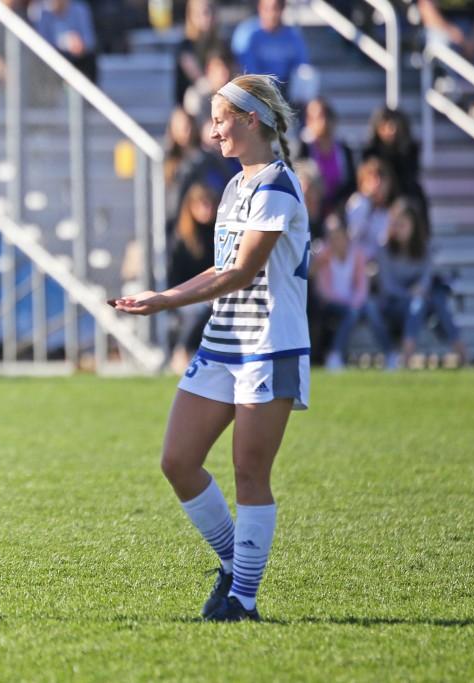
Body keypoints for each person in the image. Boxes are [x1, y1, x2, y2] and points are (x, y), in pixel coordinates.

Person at [112, 74, 310, 622]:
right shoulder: (235, 186)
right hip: (224, 342)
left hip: (270, 346)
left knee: (249, 472)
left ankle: (243, 600)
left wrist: (166, 299)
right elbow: (224, 269)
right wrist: (167, 296)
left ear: (251, 121)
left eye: (221, 118)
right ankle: (233, 566)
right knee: (177, 460)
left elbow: (242, 272)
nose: (213, 129)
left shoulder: (275, 184)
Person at [376, 198, 466, 365]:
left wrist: (418, 293)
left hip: (421, 303)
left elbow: (425, 281)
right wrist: (409, 294)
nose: (398, 229)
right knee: (418, 303)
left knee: (436, 300)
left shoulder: (424, 248)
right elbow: (388, 287)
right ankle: (409, 355)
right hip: (394, 305)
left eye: (403, 224)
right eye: (396, 224)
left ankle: (459, 353)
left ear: (414, 226)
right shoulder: (384, 249)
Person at [311, 213, 394, 370]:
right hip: (332, 303)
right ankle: (335, 355)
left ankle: (390, 354)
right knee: (352, 313)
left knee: (372, 308)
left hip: (354, 302)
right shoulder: (324, 256)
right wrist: (350, 304)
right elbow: (324, 291)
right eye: (333, 237)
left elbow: (362, 286)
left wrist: (355, 302)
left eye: (339, 236)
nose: (337, 240)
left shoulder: (358, 254)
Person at [166, 181, 218, 371]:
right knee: (200, 311)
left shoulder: (217, 234)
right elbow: (174, 277)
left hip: (213, 293)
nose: (207, 209)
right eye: (202, 204)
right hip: (186, 295)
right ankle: (183, 350)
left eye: (210, 204)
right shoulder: (182, 240)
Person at [233, 0, 310, 101]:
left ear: (282, 9)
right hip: (255, 89)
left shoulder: (292, 35)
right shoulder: (247, 32)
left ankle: (299, 114)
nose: (271, 14)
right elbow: (245, 68)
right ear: (259, 8)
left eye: (275, 8)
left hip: (285, 89)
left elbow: (302, 67)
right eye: (266, 9)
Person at [297, 98, 356, 218]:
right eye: (316, 117)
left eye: (326, 116)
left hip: (339, 209)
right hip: (310, 208)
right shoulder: (302, 148)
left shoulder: (345, 150)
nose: (323, 121)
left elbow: (351, 184)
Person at [418, 0, 474, 77]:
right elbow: (427, 10)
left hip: (473, 30)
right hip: (442, 28)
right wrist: (457, 37)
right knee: (442, 43)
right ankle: (453, 87)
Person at [31, 0, 99, 82]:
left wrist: (80, 44)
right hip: (54, 58)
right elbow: (41, 43)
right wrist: (64, 43)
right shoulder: (41, 11)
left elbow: (90, 41)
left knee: (89, 59)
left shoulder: (80, 9)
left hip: (77, 57)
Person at [345, 157, 395, 263]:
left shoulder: (389, 213)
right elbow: (353, 235)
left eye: (381, 180)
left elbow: (383, 245)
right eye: (371, 180)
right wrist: (367, 205)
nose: (377, 185)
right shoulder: (357, 203)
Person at [173, 0, 222, 105]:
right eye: (202, 13)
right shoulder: (185, 47)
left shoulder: (221, 45)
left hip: (218, 96)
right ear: (191, 16)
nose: (207, 17)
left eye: (211, 12)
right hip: (191, 106)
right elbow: (199, 80)